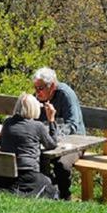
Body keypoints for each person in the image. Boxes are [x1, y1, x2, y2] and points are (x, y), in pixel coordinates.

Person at [32, 66, 85, 199]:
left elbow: (73, 124)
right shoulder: (36, 98)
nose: (37, 93)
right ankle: (47, 193)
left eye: (40, 88)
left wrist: (56, 132)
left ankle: (65, 197)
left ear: (52, 86)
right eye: (35, 88)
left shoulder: (65, 95)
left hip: (73, 142)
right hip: (47, 141)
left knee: (62, 164)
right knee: (34, 157)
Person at [0, 93, 58, 198]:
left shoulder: (7, 123)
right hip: (29, 172)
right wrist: (51, 120)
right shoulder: (38, 126)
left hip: (8, 173)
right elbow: (52, 144)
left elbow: (1, 143)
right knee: (49, 183)